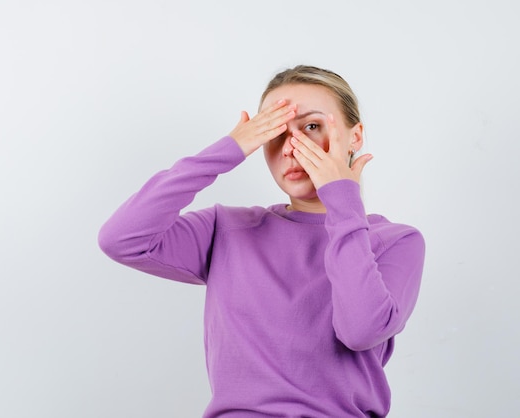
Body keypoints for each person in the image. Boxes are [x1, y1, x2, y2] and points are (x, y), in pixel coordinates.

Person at [98, 65, 425, 417]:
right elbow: (122, 238)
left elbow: (360, 330)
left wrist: (343, 202)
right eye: (274, 132)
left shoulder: (395, 241)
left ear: (355, 136)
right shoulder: (226, 229)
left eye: (312, 127)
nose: (290, 148)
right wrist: (229, 149)